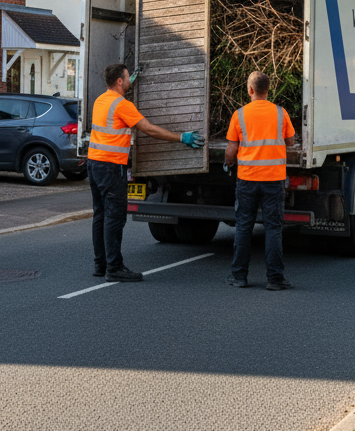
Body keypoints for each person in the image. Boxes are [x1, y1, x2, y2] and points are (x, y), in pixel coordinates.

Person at [88, 63, 204, 282]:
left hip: (94, 165)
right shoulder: (122, 105)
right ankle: (114, 268)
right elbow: (149, 129)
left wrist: (133, 79)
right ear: (120, 81)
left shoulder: (100, 100)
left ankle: (100, 264)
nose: (130, 81)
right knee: (115, 217)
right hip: (111, 167)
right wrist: (181, 137)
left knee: (100, 216)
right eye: (127, 78)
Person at [223, 71, 297, 290]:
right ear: (268, 90)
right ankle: (275, 279)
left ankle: (239, 277)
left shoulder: (240, 114)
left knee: (244, 226)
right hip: (273, 180)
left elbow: (231, 149)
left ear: (250, 90)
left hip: (247, 180)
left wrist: (229, 164)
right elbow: (291, 141)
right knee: (273, 228)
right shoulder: (280, 113)